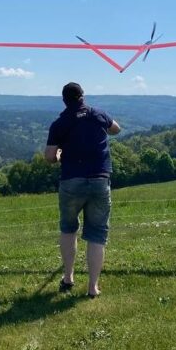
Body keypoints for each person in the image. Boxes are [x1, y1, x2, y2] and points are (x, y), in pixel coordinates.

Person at [44, 82, 121, 298]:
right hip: (99, 179)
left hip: (71, 181)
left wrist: (59, 155)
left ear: (64, 100)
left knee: (68, 229)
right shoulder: (98, 114)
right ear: (83, 97)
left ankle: (68, 277)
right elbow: (116, 129)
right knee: (97, 233)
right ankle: (92, 287)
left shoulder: (60, 123)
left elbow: (49, 156)